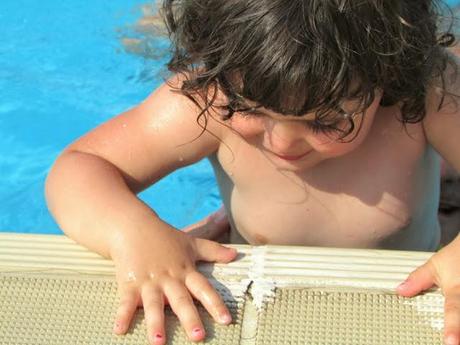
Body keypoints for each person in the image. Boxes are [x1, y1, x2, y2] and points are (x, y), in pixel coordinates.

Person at [45, 1, 460, 344]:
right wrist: (132, 231)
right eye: (252, 110)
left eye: (324, 121)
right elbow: (80, 167)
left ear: (388, 81)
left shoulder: (426, 93)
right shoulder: (210, 97)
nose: (282, 144)